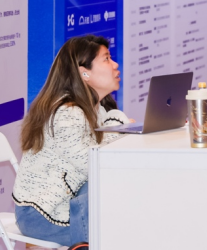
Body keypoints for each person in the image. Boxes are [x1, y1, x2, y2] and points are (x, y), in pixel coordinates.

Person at [12, 35, 128, 249]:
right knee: (118, 219)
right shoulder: (67, 112)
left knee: (118, 204)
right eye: (106, 59)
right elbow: (93, 164)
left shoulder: (96, 109)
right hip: (43, 214)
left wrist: (116, 123)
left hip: (71, 203)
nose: (115, 65)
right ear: (84, 73)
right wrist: (119, 124)